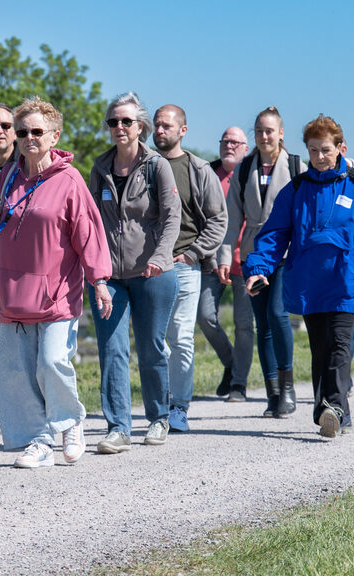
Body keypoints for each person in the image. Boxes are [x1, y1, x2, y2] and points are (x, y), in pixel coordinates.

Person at [0, 97, 112, 468]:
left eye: (36, 131)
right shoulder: (8, 178)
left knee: (52, 362)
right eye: (21, 131)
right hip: (12, 294)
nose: (28, 138)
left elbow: (88, 235)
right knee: (18, 372)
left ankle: (70, 422)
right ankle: (38, 441)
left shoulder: (69, 180)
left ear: (54, 136)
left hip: (57, 293)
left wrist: (99, 281)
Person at [244, 114, 354, 439]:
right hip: (309, 284)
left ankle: (331, 406)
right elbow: (275, 234)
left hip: (347, 280)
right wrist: (258, 268)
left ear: (341, 148)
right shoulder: (297, 188)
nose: (319, 157)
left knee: (339, 347)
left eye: (326, 150)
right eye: (313, 150)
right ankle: (334, 412)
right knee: (320, 349)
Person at [87, 91, 179, 452]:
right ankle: (118, 428)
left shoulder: (157, 165)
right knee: (112, 348)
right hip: (109, 275)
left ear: (140, 126)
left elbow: (173, 218)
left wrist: (161, 255)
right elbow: (90, 221)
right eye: (113, 122)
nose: (120, 127)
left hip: (153, 273)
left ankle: (158, 418)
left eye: (127, 121)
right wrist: (95, 271)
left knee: (151, 347)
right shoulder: (99, 167)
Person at [225, 107, 305, 418]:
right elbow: (232, 218)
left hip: (286, 253)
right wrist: (224, 256)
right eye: (259, 131)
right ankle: (273, 393)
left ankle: (287, 386)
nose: (264, 136)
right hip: (251, 254)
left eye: (270, 130)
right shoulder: (245, 169)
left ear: (281, 133)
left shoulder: (296, 166)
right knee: (263, 325)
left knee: (277, 313)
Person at [152, 105, 226, 433]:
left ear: (183, 130)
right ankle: (160, 401)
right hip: (149, 268)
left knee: (181, 337)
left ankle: (178, 406)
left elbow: (217, 218)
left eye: (167, 126)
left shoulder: (198, 169)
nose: (160, 131)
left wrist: (194, 254)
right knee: (155, 340)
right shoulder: (144, 166)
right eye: (156, 125)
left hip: (183, 264)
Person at [200, 127, 253, 403]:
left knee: (244, 324)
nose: (229, 146)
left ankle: (238, 384)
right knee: (205, 316)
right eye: (225, 141)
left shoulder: (251, 175)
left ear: (246, 147)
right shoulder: (207, 173)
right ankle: (232, 362)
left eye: (235, 142)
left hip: (245, 261)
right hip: (211, 259)